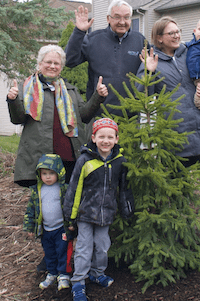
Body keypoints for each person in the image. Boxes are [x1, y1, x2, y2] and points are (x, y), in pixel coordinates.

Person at [139, 16, 200, 243]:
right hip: (175, 134)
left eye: (178, 31)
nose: (177, 35)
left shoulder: (193, 51)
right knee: (177, 186)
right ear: (159, 38)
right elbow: (141, 95)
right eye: (171, 33)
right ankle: (181, 229)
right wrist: (149, 72)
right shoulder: (152, 60)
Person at [7, 44, 108, 188]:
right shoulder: (27, 88)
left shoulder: (70, 90)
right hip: (41, 160)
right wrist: (13, 100)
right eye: (48, 62)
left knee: (69, 203)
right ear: (40, 64)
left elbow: (84, 116)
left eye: (57, 63)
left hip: (69, 158)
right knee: (45, 205)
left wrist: (98, 96)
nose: (52, 66)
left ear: (61, 67)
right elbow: (18, 119)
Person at [63, 118, 134, 301]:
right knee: (84, 248)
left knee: (103, 247)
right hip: (85, 214)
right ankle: (78, 282)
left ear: (116, 139)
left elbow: (124, 189)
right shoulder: (85, 160)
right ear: (93, 138)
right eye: (101, 136)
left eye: (110, 137)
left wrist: (127, 210)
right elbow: (74, 188)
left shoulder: (120, 161)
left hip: (107, 214)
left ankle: (97, 273)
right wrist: (71, 215)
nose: (106, 141)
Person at [64, 0, 146, 118]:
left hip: (131, 115)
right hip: (99, 113)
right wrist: (79, 32)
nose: (122, 22)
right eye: (117, 17)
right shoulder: (94, 39)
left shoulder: (139, 41)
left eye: (126, 17)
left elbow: (149, 71)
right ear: (108, 18)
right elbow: (69, 61)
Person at [23, 153, 74, 291]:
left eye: (51, 173)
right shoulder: (37, 190)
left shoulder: (64, 189)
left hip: (60, 229)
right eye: (44, 173)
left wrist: (71, 224)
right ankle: (52, 273)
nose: (48, 177)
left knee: (62, 251)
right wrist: (29, 227)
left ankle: (63, 275)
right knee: (49, 252)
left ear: (59, 172)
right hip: (46, 229)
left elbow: (71, 207)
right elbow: (31, 209)